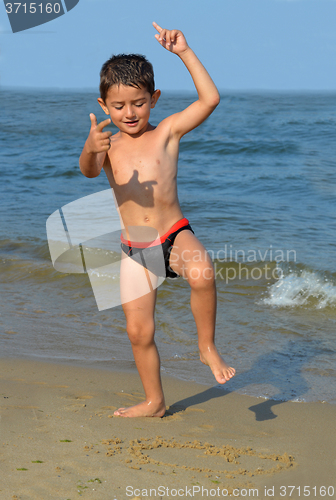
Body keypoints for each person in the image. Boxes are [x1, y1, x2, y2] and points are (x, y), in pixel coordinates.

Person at [79, 22, 235, 417]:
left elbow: (210, 99)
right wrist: (90, 147)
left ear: (154, 99)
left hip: (173, 233)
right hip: (137, 248)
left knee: (202, 274)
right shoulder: (107, 145)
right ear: (103, 106)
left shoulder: (166, 132)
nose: (129, 113)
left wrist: (183, 52)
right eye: (118, 106)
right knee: (138, 332)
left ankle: (207, 347)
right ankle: (155, 400)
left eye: (139, 102)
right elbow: (90, 172)